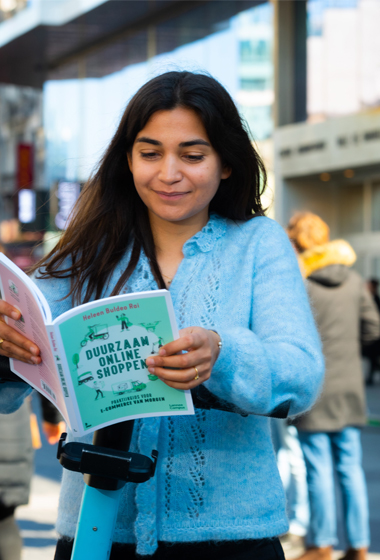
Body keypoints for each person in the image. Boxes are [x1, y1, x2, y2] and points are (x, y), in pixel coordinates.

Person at [0, 71, 324, 560]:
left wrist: (223, 353)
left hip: (229, 540)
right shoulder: (84, 253)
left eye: (192, 156)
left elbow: (300, 374)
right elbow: (16, 384)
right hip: (97, 532)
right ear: (128, 160)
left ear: (226, 163)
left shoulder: (260, 244)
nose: (168, 173)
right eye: (149, 153)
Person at [287, 212, 380, 560]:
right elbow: (373, 331)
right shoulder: (356, 282)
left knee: (318, 469)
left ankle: (322, 544)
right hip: (350, 390)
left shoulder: (302, 285)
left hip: (314, 391)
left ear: (298, 245)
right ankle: (359, 546)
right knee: (350, 469)